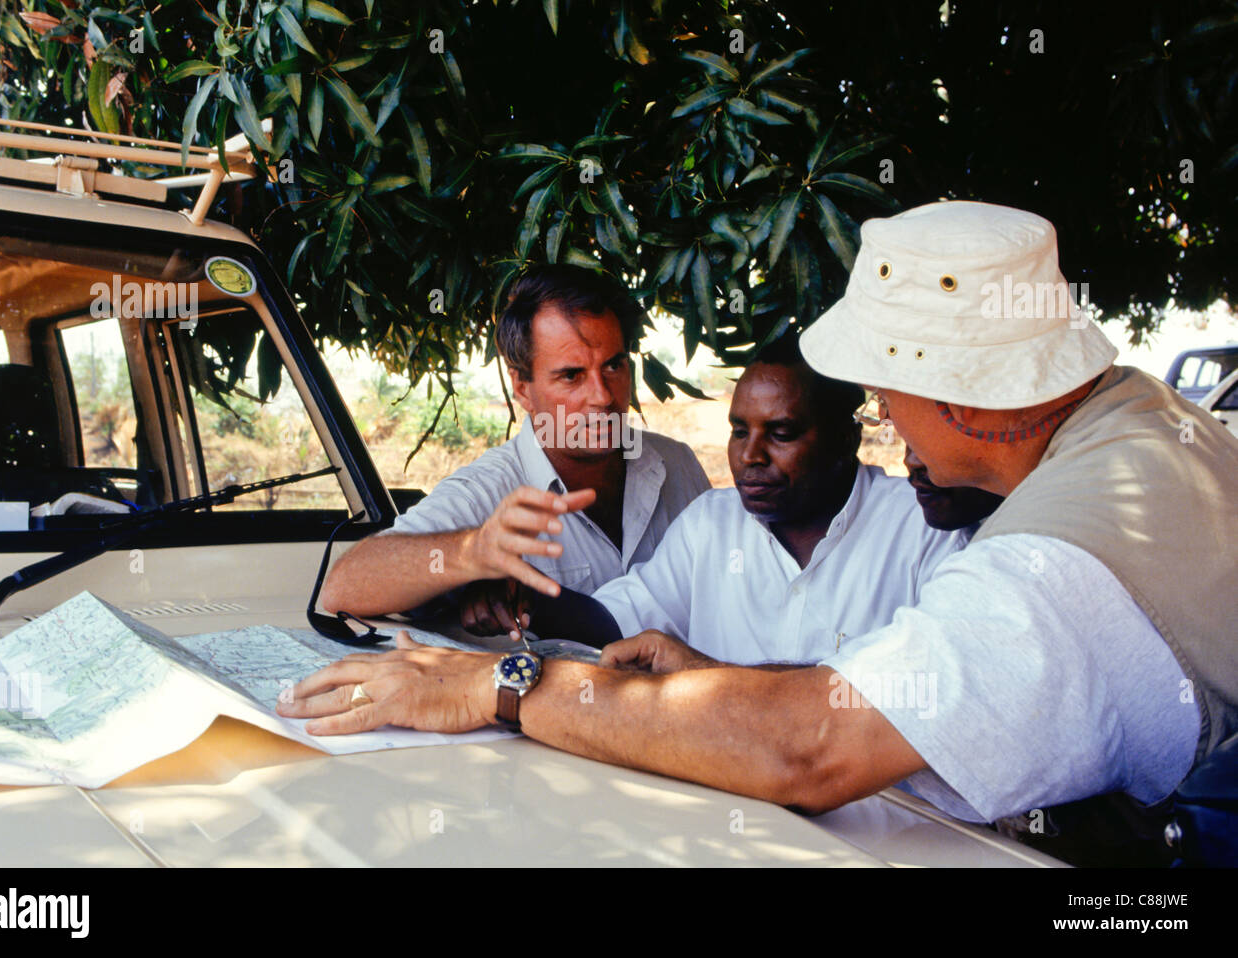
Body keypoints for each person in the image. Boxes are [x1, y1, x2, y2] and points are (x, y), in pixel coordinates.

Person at [278, 201, 1238, 830]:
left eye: (881, 393)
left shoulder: (1049, 561)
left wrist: (498, 686)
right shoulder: (1141, 419)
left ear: (969, 404)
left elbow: (810, 745)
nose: (885, 423)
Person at [317, 264, 710, 623]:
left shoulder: (676, 464)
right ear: (522, 387)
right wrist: (472, 552)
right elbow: (344, 588)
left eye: (613, 365)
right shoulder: (488, 492)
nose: (603, 396)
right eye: (572, 376)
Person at [590, 337, 974, 667]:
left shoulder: (923, 529)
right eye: (740, 431)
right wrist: (534, 597)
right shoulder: (710, 523)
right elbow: (614, 620)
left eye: (781, 433)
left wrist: (705, 674)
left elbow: (925, 687)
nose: (750, 455)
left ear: (845, 440)